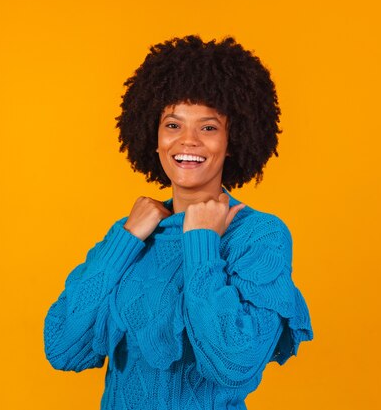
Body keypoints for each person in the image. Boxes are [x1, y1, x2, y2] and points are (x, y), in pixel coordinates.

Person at [43, 35, 313, 410]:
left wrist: (202, 241)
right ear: (153, 137)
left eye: (208, 127)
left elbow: (233, 364)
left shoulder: (257, 236)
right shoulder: (131, 235)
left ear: (232, 140)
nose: (187, 142)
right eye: (173, 125)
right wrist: (125, 241)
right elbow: (63, 349)